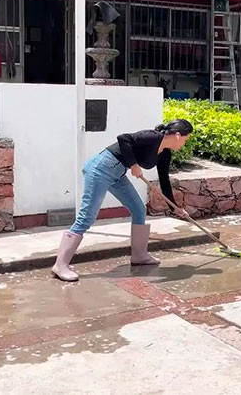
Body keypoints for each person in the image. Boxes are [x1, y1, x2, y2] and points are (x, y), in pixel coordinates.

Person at [51, 119, 193, 282]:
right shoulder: (153, 137)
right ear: (177, 135)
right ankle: (60, 265)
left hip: (118, 173)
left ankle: (139, 256)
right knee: (87, 216)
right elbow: (123, 138)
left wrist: (175, 207)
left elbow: (164, 181)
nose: (185, 142)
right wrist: (133, 164)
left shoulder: (165, 154)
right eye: (185, 138)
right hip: (101, 169)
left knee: (139, 209)